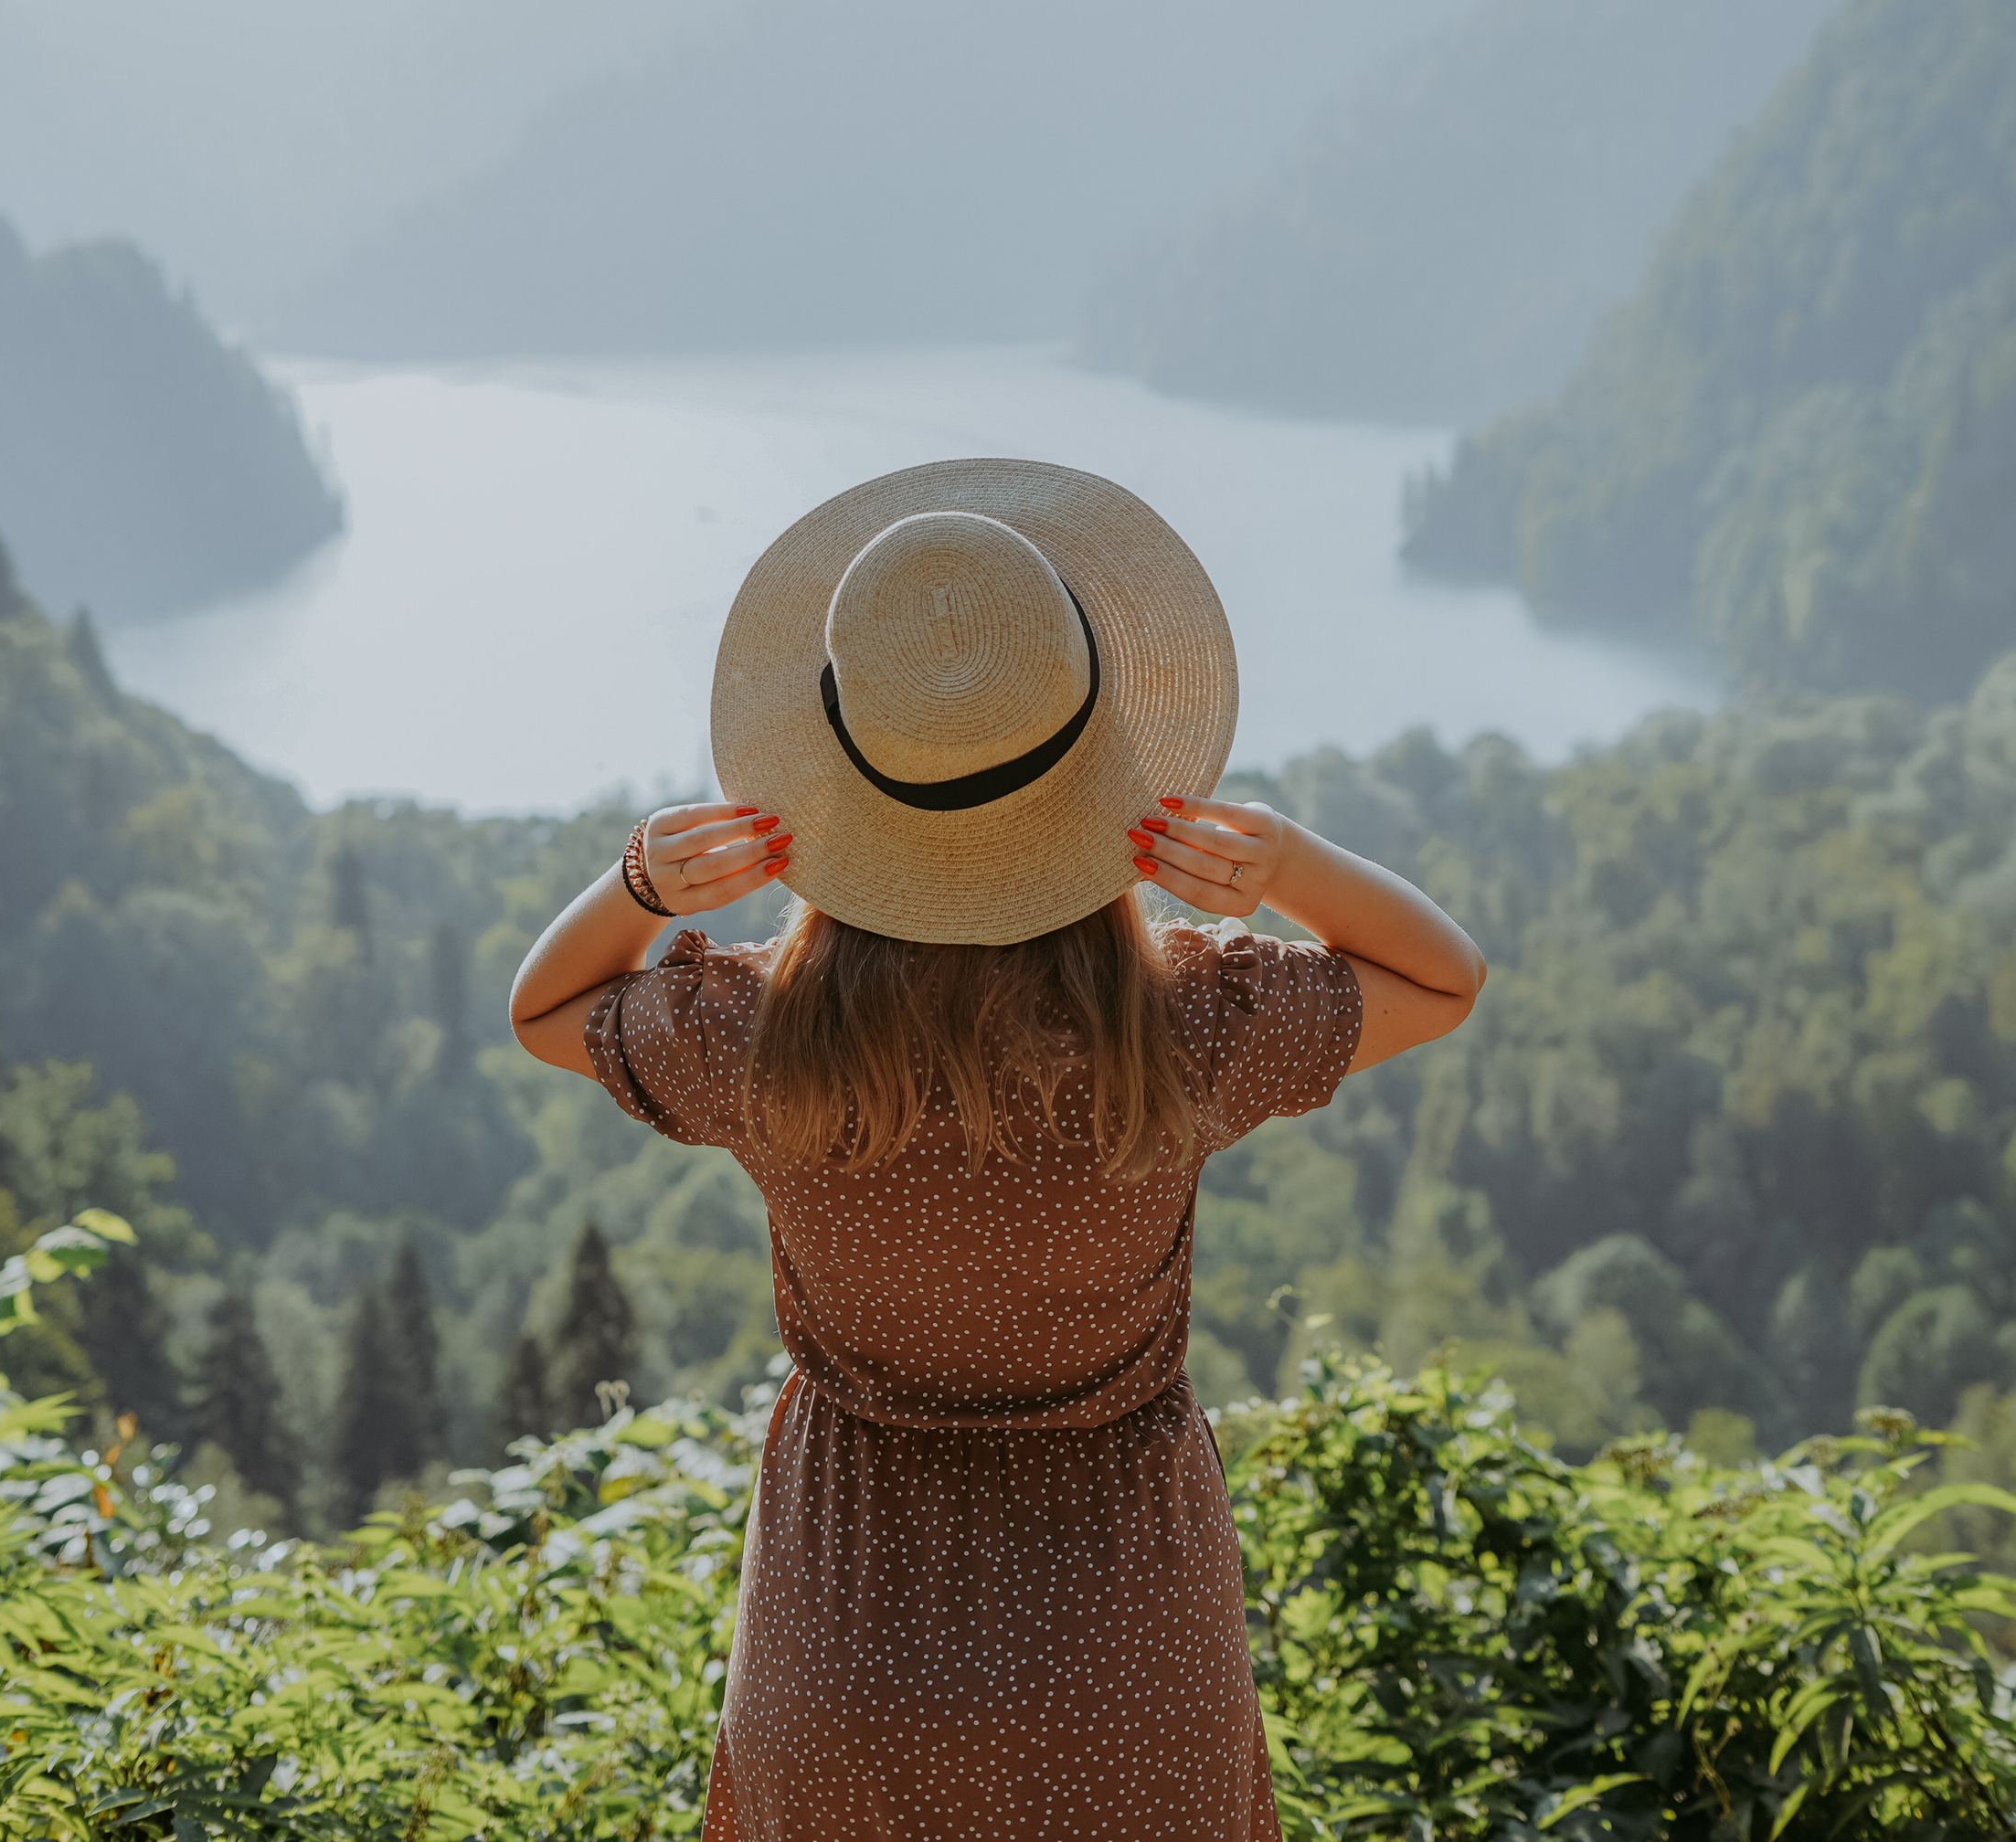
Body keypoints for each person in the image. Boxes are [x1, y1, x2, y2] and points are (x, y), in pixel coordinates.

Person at [511, 455, 1485, 1842]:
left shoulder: (761, 1041)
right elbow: (1445, 978)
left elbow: (542, 1009)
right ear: (1093, 770)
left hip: (846, 1635)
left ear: (842, 780)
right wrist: (1286, 864)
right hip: (1126, 1648)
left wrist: (637, 885)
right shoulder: (1183, 1026)